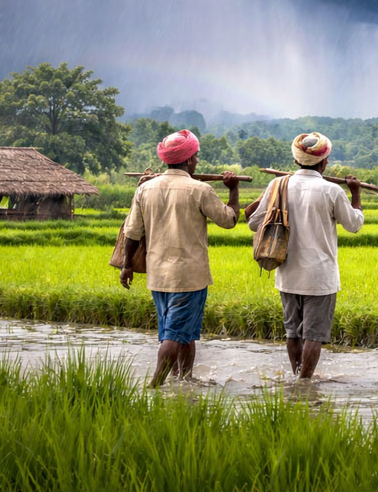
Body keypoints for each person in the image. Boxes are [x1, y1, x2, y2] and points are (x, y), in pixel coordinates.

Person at [120, 129, 240, 387]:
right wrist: (234, 189)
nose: (197, 161)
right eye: (195, 157)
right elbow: (229, 220)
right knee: (173, 335)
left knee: (184, 334)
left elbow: (132, 232)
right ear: (187, 161)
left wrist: (126, 265)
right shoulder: (200, 189)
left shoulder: (145, 189)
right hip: (189, 277)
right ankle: (155, 385)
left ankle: (183, 380)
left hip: (159, 275)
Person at [246, 132, 363, 379]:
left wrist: (270, 192)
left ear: (297, 160)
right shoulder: (332, 190)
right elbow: (353, 224)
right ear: (324, 162)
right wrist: (356, 194)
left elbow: (253, 222)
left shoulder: (278, 185)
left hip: (287, 273)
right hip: (320, 277)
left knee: (293, 333)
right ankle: (305, 383)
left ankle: (297, 376)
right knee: (313, 335)